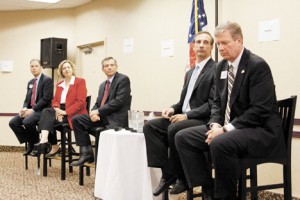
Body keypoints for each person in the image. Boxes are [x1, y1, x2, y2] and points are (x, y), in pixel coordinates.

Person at [175, 22, 286, 200]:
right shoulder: (221, 67)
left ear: (239, 40)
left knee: (221, 142)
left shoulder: (257, 65)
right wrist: (216, 124)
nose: (220, 48)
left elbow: (259, 110)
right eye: (218, 44)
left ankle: (225, 196)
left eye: (225, 43)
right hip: (232, 128)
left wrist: (225, 129)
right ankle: (208, 188)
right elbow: (217, 103)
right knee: (183, 137)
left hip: (261, 131)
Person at [143, 31, 216, 196]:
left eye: (206, 42)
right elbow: (184, 102)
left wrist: (187, 116)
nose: (201, 45)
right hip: (183, 117)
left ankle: (180, 177)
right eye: (198, 42)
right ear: (193, 46)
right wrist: (173, 108)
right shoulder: (190, 72)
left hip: (202, 120)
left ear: (211, 47)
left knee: (174, 128)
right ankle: (168, 173)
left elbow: (212, 104)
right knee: (151, 127)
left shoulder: (216, 69)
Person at [70, 56, 131, 166]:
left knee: (95, 127)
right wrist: (93, 113)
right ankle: (86, 152)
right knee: (77, 119)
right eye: (106, 66)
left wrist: (98, 112)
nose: (109, 67)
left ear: (116, 67)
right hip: (102, 118)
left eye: (112, 65)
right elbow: (98, 103)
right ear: (102, 69)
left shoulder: (123, 79)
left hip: (115, 120)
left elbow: (118, 101)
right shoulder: (102, 85)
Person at [31, 60, 88, 157]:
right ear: (61, 71)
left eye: (68, 67)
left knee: (46, 121)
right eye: (64, 68)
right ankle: (44, 140)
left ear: (72, 69)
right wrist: (57, 110)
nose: (66, 69)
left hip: (74, 114)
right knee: (46, 112)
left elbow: (81, 102)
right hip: (60, 111)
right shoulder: (59, 84)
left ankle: (52, 146)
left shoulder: (80, 81)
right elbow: (54, 101)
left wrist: (65, 112)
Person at [9, 59, 53, 156]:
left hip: (43, 111)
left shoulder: (47, 80)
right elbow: (27, 99)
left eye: (36, 66)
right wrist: (24, 108)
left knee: (27, 121)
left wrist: (32, 110)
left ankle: (33, 144)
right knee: (13, 122)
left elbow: (46, 99)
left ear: (41, 67)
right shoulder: (30, 82)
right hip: (31, 110)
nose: (34, 68)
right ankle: (32, 142)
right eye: (32, 66)